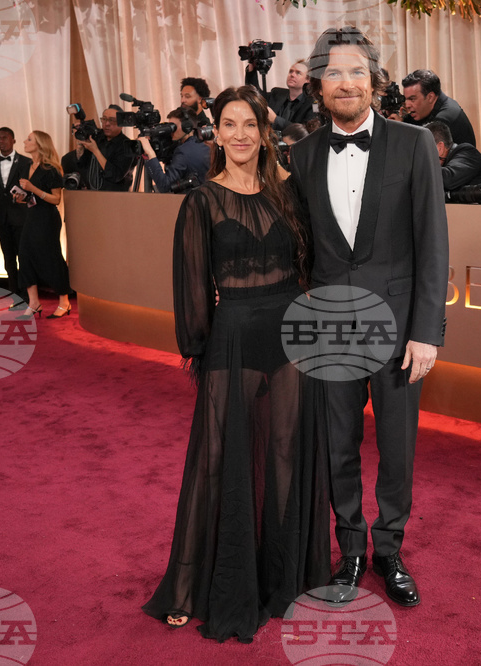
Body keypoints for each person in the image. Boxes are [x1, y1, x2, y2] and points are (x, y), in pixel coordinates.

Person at [141, 85, 330, 642]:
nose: (242, 134)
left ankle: (283, 575)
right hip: (232, 342)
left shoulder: (289, 192)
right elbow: (193, 290)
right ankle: (192, 586)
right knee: (218, 460)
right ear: (215, 132)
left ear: (264, 130)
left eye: (251, 123)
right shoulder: (201, 201)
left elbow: (310, 265)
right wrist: (200, 351)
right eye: (231, 124)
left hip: (292, 337)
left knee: (285, 454)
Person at [289, 27, 450, 608]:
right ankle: (351, 546)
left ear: (375, 80)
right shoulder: (302, 154)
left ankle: (390, 547)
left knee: (398, 446)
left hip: (400, 327)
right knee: (338, 443)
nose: (346, 83)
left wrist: (427, 332)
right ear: (318, 85)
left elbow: (434, 243)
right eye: (333, 72)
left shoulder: (413, 144)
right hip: (329, 326)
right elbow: (300, 246)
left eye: (356, 71)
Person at [13, 131, 72, 319]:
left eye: (29, 139)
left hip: (47, 219)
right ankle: (34, 303)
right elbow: (30, 197)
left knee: (51, 257)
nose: (24, 141)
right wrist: (21, 197)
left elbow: (56, 200)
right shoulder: (27, 166)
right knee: (24, 255)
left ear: (40, 144)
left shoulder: (51, 169)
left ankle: (64, 302)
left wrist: (33, 189)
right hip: (31, 216)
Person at [0, 127, 34, 298]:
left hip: (21, 217)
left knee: (24, 257)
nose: (1, 141)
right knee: (8, 259)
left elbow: (28, 190)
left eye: (5, 138)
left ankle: (27, 295)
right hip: (2, 217)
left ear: (13, 140)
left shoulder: (26, 162)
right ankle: (14, 294)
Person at [425, 120, 481, 204]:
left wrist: (418, 165)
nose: (423, 155)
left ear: (440, 148)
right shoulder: (445, 162)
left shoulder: (467, 152)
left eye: (424, 149)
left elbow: (449, 179)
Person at [140, 108, 211, 192]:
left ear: (187, 127)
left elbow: (164, 186)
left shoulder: (183, 151)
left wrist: (150, 154)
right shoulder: (204, 145)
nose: (171, 131)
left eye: (173, 127)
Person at [401, 69, 476, 147]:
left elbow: (419, 150)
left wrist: (399, 127)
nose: (407, 105)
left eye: (412, 99)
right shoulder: (438, 103)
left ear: (430, 97)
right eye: (406, 99)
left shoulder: (443, 119)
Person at [76, 105, 135, 191]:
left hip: (115, 197)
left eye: (112, 120)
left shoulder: (127, 145)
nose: (107, 124)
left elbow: (115, 176)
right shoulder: (97, 137)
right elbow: (82, 164)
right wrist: (81, 143)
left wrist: (95, 151)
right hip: (91, 194)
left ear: (121, 123)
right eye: (104, 119)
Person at [246, 59, 316, 131]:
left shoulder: (313, 103)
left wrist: (276, 120)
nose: (292, 75)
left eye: (298, 73)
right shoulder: (276, 93)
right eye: (291, 71)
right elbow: (255, 95)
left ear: (308, 80)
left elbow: (306, 131)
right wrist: (252, 67)